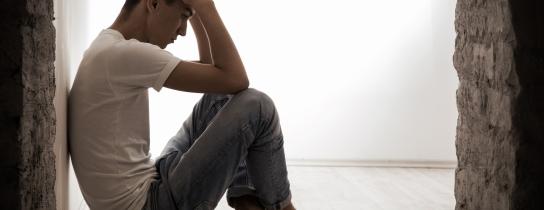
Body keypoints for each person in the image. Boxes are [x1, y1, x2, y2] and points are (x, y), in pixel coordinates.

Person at [68, 0, 296, 209]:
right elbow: (236, 79)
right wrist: (206, 6)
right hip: (150, 204)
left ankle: (247, 200)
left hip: (151, 184)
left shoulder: (109, 45)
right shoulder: (126, 54)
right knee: (258, 107)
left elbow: (212, 71)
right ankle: (281, 207)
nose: (183, 31)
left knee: (219, 97)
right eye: (183, 16)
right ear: (154, 3)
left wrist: (194, 10)